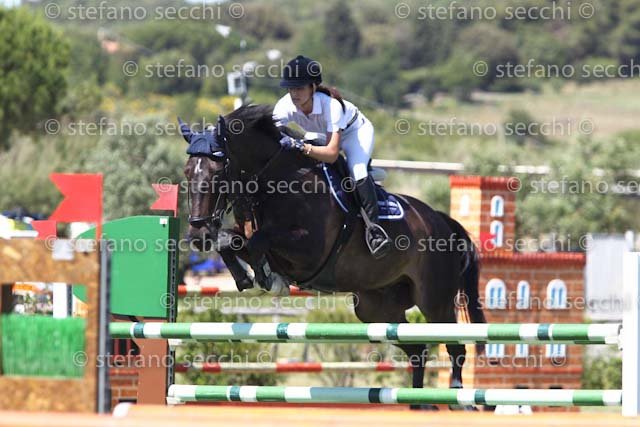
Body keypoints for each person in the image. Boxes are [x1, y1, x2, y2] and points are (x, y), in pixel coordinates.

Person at [273, 55, 391, 258]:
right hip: (320, 134)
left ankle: (375, 230)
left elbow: (331, 154)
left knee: (357, 171)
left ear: (313, 87)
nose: (294, 94)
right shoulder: (284, 106)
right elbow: (268, 132)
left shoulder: (331, 106)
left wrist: (301, 147)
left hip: (354, 133)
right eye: (290, 88)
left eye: (299, 88)